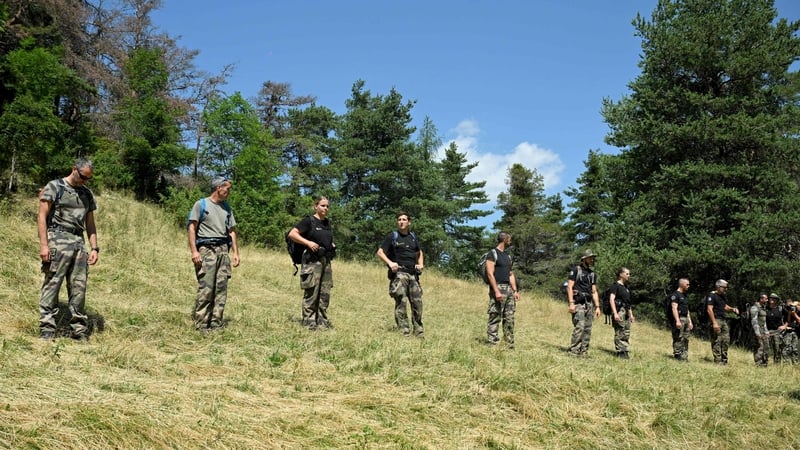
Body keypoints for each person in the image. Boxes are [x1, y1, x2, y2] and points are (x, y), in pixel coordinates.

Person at [37, 158, 99, 341]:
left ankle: (78, 330)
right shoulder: (54, 187)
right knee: (52, 284)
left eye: (88, 179)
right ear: (74, 169)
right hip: (57, 240)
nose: (84, 181)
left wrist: (95, 248)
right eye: (82, 177)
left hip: (79, 244)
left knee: (79, 288)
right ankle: (47, 328)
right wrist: (44, 245)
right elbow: (41, 216)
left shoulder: (86, 194)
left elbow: (90, 224)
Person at [187, 177, 240, 332]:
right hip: (206, 249)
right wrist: (194, 251)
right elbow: (192, 228)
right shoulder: (201, 204)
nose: (229, 191)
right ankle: (202, 324)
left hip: (223, 250)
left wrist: (236, 253)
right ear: (218, 188)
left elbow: (231, 231)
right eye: (227, 188)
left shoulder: (227, 208)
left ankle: (216, 322)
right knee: (206, 287)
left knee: (221, 288)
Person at [288, 196, 335, 330]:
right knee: (312, 291)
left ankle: (322, 320)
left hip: (326, 261)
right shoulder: (309, 221)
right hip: (311, 262)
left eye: (327, 206)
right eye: (322, 205)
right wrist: (308, 243)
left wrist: (331, 245)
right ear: (315, 206)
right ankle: (309, 320)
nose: (325, 208)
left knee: (324, 292)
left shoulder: (327, 223)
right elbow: (292, 234)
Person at [376, 212, 425, 337]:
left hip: (413, 275)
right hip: (399, 274)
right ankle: (404, 330)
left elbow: (419, 253)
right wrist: (390, 263)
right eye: (399, 219)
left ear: (409, 222)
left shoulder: (413, 237)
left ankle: (418, 330)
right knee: (401, 303)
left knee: (417, 303)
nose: (401, 222)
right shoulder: (393, 236)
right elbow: (380, 252)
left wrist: (421, 264)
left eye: (404, 219)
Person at [484, 232, 519, 349]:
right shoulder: (492, 254)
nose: (510, 241)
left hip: (508, 289)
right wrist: (496, 291)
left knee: (509, 317)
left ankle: (509, 343)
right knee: (495, 315)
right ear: (504, 240)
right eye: (509, 239)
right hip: (498, 287)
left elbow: (510, 274)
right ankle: (492, 342)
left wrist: (515, 291)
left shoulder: (507, 256)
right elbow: (489, 273)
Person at [567, 249, 600, 357]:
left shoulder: (592, 274)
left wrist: (598, 307)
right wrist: (571, 303)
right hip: (578, 303)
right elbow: (570, 287)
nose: (592, 260)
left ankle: (584, 352)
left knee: (587, 328)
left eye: (592, 258)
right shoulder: (576, 270)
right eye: (590, 258)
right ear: (584, 259)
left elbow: (594, 291)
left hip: (589, 304)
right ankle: (574, 351)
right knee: (580, 327)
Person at [705, 279, 739, 365]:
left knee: (726, 340)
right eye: (724, 287)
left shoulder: (722, 296)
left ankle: (724, 360)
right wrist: (714, 323)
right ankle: (718, 360)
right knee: (717, 340)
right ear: (718, 287)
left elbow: (724, 306)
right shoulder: (712, 295)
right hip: (716, 319)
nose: (726, 289)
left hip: (723, 320)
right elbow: (709, 309)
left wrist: (732, 309)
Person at [609, 267, 635, 358]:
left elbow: (628, 303)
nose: (629, 276)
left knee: (626, 331)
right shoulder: (615, 285)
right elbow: (611, 299)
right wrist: (615, 313)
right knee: (620, 331)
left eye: (629, 274)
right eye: (627, 274)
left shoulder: (626, 288)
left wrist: (631, 314)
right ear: (621, 274)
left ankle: (625, 350)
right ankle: (620, 351)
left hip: (626, 311)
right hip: (619, 311)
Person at [668, 278, 693, 361]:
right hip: (679, 318)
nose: (688, 286)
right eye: (687, 284)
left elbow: (687, 309)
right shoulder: (675, 295)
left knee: (686, 338)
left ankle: (684, 355)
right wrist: (677, 320)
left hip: (686, 318)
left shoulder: (685, 295)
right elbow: (674, 308)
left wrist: (690, 321)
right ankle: (677, 354)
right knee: (678, 337)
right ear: (681, 284)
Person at [765, 293, 788, 364]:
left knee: (777, 348)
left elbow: (789, 316)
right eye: (770, 298)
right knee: (765, 348)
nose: (771, 299)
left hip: (777, 331)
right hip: (766, 331)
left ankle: (777, 365)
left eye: (773, 298)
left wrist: (785, 326)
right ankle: (764, 363)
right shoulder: (765, 308)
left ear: (777, 300)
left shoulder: (781, 308)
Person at [750, 293, 769, 367]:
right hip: (757, 330)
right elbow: (754, 321)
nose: (767, 300)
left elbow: (764, 321)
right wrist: (757, 333)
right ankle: (758, 363)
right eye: (766, 299)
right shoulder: (754, 308)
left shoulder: (763, 308)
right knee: (759, 347)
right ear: (761, 299)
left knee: (766, 347)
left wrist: (766, 331)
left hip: (763, 330)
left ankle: (764, 363)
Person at [782, 299, 799, 364]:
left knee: (795, 349)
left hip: (796, 331)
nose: (791, 307)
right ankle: (786, 363)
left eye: (792, 305)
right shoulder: (784, 310)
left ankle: (795, 363)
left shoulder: (797, 310)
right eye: (789, 305)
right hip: (788, 331)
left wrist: (794, 312)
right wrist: (789, 312)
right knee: (786, 348)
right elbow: (788, 321)